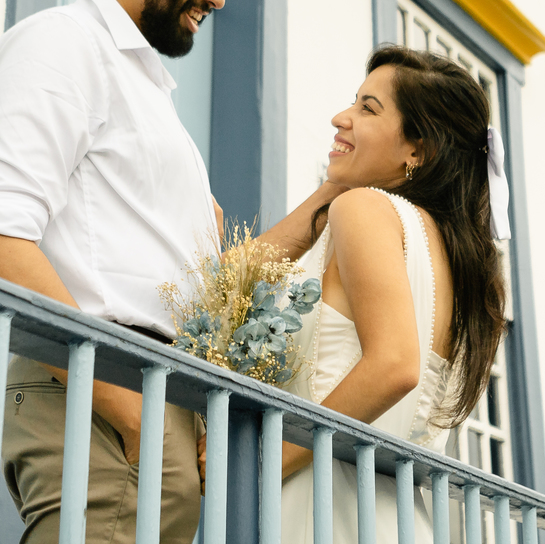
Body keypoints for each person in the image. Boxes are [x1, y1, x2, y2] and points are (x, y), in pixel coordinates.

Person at [0, 0, 342, 544]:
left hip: (153, 399)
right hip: (106, 389)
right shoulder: (64, 44)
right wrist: (125, 405)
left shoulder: (146, 90)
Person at [202, 45, 510, 543]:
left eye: (368, 109)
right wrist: (335, 185)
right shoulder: (460, 261)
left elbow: (394, 365)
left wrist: (267, 459)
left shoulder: (366, 212)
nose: (340, 118)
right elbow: (229, 288)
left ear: (418, 150)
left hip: (316, 507)